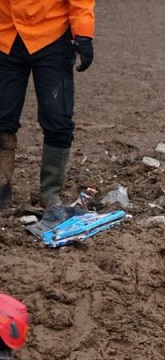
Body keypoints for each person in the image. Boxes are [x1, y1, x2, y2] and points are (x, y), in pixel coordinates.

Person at [0, 0, 95, 209]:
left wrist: (83, 33)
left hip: (51, 36)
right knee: (2, 119)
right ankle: (1, 189)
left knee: (58, 119)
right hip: (6, 34)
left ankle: (50, 194)